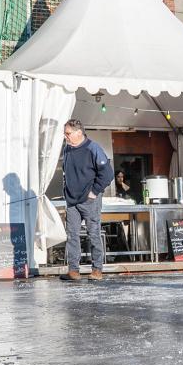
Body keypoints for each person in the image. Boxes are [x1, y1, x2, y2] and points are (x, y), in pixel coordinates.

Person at [60, 119, 112, 281]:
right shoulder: (67, 149)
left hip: (89, 200)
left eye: (68, 133)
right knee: (72, 235)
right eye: (65, 133)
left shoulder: (92, 148)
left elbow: (107, 174)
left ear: (79, 133)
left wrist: (94, 192)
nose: (65, 136)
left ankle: (97, 270)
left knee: (93, 234)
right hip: (72, 201)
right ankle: (74, 271)